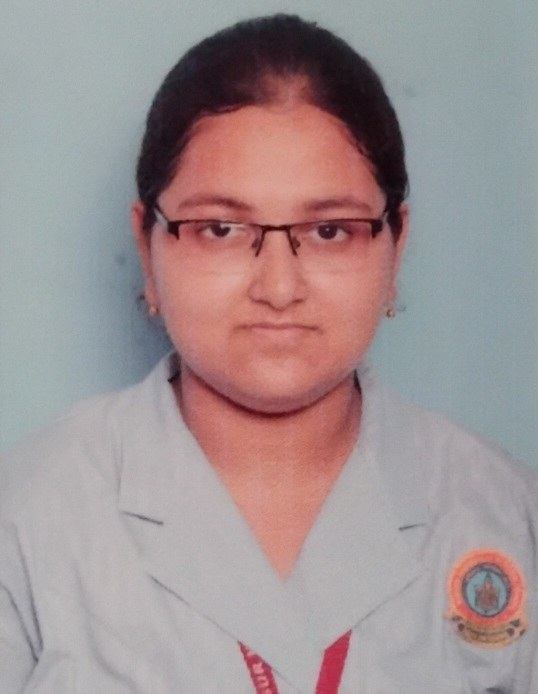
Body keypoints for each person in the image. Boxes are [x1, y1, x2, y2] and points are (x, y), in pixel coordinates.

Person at [0, 13, 536, 694]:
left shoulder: (504, 513)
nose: (279, 288)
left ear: (396, 245)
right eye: (221, 228)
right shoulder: (27, 515)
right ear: (147, 246)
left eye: (331, 231)